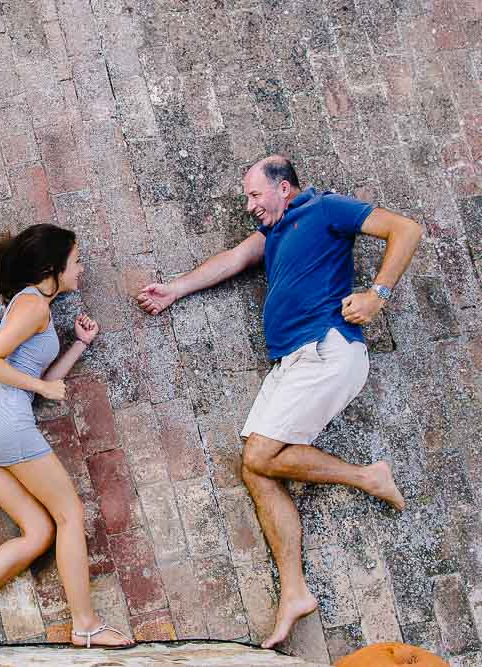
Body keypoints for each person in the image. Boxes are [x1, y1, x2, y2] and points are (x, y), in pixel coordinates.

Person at [137, 155, 422, 648]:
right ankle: (294, 592)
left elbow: (407, 230)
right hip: (292, 363)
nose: (250, 206)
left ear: (285, 188)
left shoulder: (326, 208)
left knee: (260, 455)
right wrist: (174, 290)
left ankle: (367, 476)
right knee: (255, 467)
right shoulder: (274, 231)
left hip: (326, 349)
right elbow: (233, 260)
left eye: (255, 195)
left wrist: (377, 294)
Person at [0, 224, 135, 650]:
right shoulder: (33, 308)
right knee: (69, 514)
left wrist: (79, 346)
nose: (81, 268)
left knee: (38, 533)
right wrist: (42, 390)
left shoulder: (31, 306)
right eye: (77, 260)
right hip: (8, 425)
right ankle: (85, 624)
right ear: (53, 268)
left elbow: (39, 376)